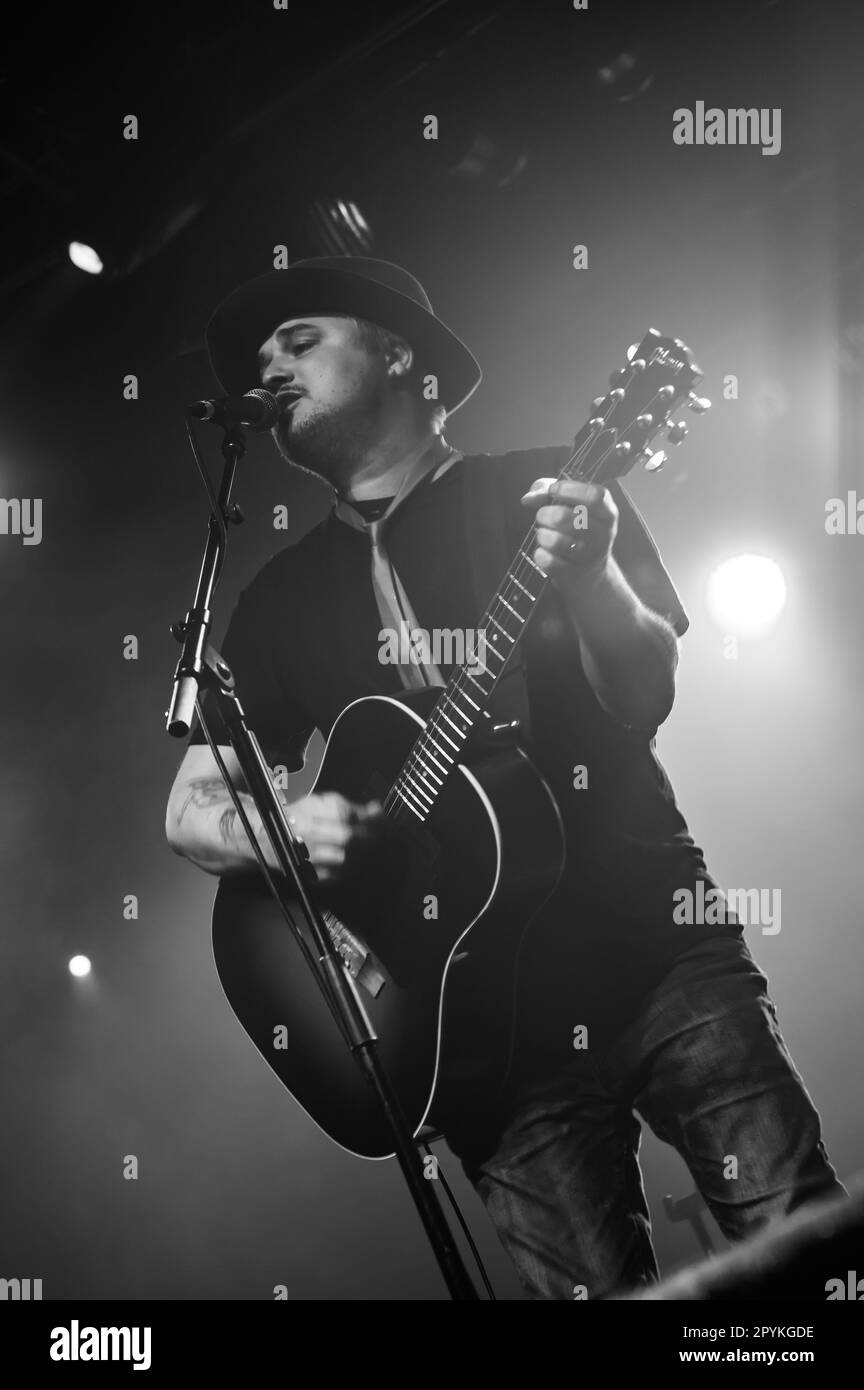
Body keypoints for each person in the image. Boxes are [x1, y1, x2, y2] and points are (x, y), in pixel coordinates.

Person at [165, 256, 844, 1299]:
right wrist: (290, 833)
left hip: (656, 951)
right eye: (260, 357)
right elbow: (190, 810)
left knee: (801, 1259)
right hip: (478, 1047)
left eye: (299, 340)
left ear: (398, 351)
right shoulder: (275, 601)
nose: (273, 366)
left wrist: (593, 573)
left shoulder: (551, 489)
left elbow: (647, 689)